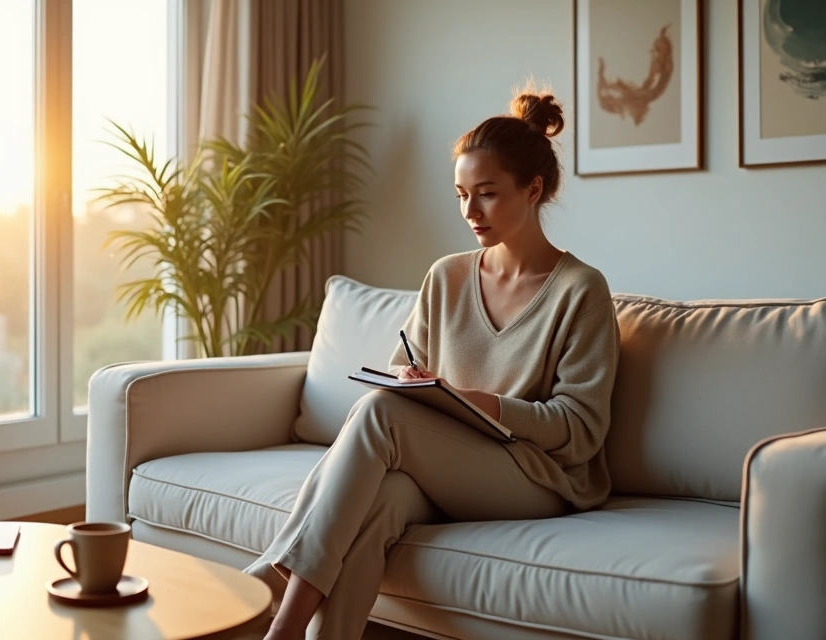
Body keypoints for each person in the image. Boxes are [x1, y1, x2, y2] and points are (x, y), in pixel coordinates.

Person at [244, 88, 621, 640]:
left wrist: (483, 404)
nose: (470, 212)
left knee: (378, 416)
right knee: (381, 505)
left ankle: (276, 613)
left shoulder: (580, 291)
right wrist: (413, 381)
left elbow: (580, 431)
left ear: (533, 189)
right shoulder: (445, 277)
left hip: (538, 479)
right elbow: (405, 372)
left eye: (487, 194)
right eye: (461, 195)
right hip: (450, 462)